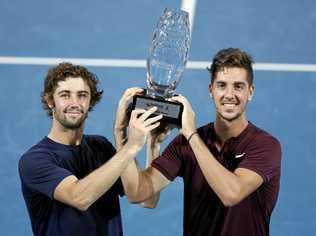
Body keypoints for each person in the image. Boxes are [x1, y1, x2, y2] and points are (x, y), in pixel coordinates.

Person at [116, 48, 282, 236]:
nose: (229, 94)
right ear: (211, 90)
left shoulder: (265, 145)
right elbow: (139, 194)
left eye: (238, 86)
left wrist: (192, 135)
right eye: (221, 85)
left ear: (250, 92)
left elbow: (231, 193)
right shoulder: (185, 143)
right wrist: (124, 136)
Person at [18, 62, 162, 236]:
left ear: (90, 101)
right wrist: (130, 146)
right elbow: (79, 197)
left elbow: (146, 199)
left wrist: (152, 143)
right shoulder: (34, 160)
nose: (74, 103)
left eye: (82, 95)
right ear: (50, 101)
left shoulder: (100, 147)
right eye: (65, 95)